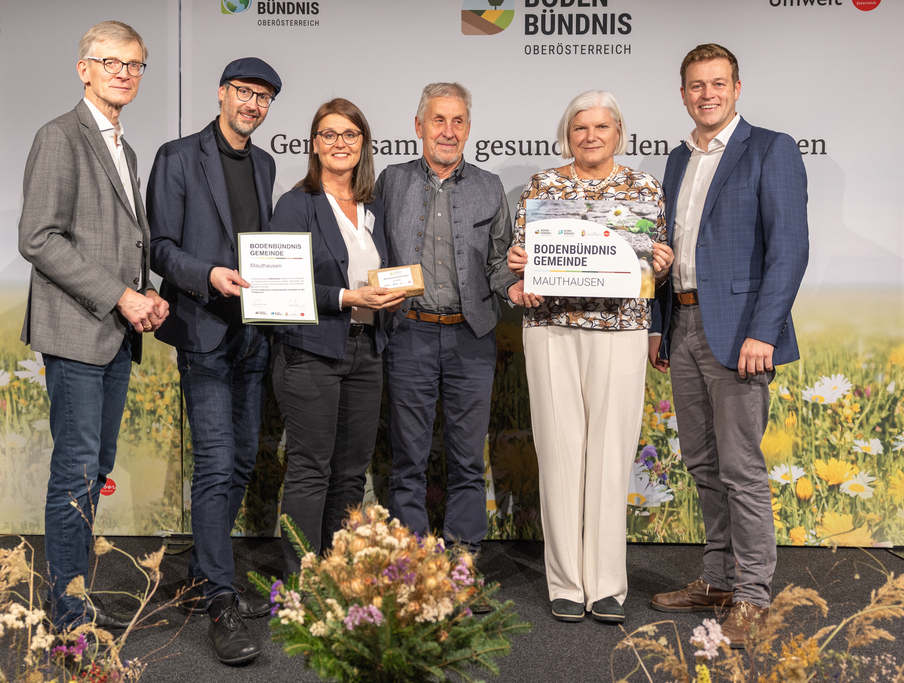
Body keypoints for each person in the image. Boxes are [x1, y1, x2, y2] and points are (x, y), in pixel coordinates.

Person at [648, 44, 809, 648]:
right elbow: (669, 251)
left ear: (737, 88)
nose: (707, 94)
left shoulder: (770, 149)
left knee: (741, 469)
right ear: (683, 94)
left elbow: (789, 248)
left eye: (718, 83)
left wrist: (763, 330)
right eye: (696, 85)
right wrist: (659, 326)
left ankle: (752, 597)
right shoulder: (677, 159)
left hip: (741, 333)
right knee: (702, 464)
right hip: (683, 323)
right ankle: (717, 581)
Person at [18, 21, 168, 631]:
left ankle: (74, 595)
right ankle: (68, 608)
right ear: (84, 69)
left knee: (94, 470)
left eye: (134, 65)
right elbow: (38, 238)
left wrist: (145, 294)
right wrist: (120, 296)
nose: (124, 74)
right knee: (76, 472)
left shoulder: (123, 147)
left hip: (114, 334)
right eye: (111, 62)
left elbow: (120, 241)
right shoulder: (59, 136)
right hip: (77, 331)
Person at [506, 91, 673, 625]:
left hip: (621, 330)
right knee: (559, 452)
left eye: (602, 126)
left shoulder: (644, 188)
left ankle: (605, 585)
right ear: (567, 135)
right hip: (551, 329)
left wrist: (661, 262)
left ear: (619, 132)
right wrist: (518, 264)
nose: (591, 136)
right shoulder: (542, 186)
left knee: (610, 454)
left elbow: (654, 262)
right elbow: (520, 258)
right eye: (580, 127)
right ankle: (565, 582)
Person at [146, 57, 281, 665]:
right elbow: (160, 249)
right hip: (203, 330)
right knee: (217, 464)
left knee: (243, 460)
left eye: (263, 98)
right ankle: (220, 599)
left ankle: (204, 577)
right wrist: (209, 275)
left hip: (253, 334)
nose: (252, 105)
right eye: (244, 92)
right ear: (223, 93)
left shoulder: (265, 164)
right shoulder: (178, 157)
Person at [376, 82, 518, 563]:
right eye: (439, 120)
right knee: (408, 458)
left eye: (458, 121)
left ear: (469, 128)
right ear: (419, 126)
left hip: (471, 336)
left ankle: (463, 556)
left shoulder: (489, 186)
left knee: (467, 458)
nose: (448, 131)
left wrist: (513, 287)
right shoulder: (390, 181)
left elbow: (499, 263)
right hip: (408, 333)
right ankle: (411, 562)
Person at [268, 98, 404, 579]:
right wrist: (347, 297)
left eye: (349, 134)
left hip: (367, 351)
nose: (339, 143)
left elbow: (384, 272)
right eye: (329, 134)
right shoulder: (296, 204)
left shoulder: (374, 206)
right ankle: (302, 581)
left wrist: (393, 294)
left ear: (363, 143)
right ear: (314, 145)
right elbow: (279, 287)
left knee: (350, 473)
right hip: (311, 353)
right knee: (311, 469)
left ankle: (337, 573)